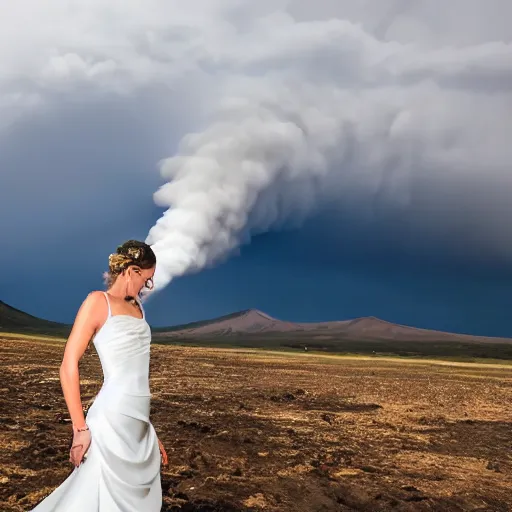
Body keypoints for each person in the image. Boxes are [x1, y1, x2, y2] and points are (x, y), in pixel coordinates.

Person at [32, 240, 167, 511]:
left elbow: (137, 375)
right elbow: (68, 363)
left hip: (137, 426)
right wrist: (79, 429)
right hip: (110, 421)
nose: (146, 287)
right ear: (131, 271)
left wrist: (149, 431)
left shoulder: (139, 309)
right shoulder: (98, 302)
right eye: (147, 279)